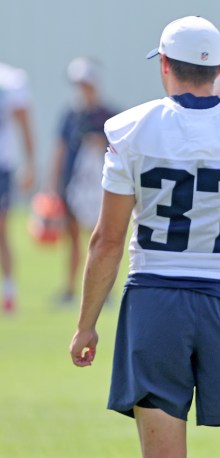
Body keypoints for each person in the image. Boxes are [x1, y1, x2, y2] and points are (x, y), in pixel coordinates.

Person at [69, 16, 220, 458]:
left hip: (153, 299)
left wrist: (86, 324)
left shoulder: (130, 128)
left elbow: (107, 241)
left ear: (165, 63)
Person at [49, 57, 116, 305]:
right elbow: (61, 149)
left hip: (100, 186)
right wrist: (54, 184)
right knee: (73, 238)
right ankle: (69, 288)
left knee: (101, 238)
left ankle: (105, 290)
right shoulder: (70, 115)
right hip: (73, 183)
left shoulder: (108, 115)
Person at [0, 62, 35, 313]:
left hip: (2, 164)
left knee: (1, 230)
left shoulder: (10, 79)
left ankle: (9, 291)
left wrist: (30, 163)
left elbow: (24, 122)